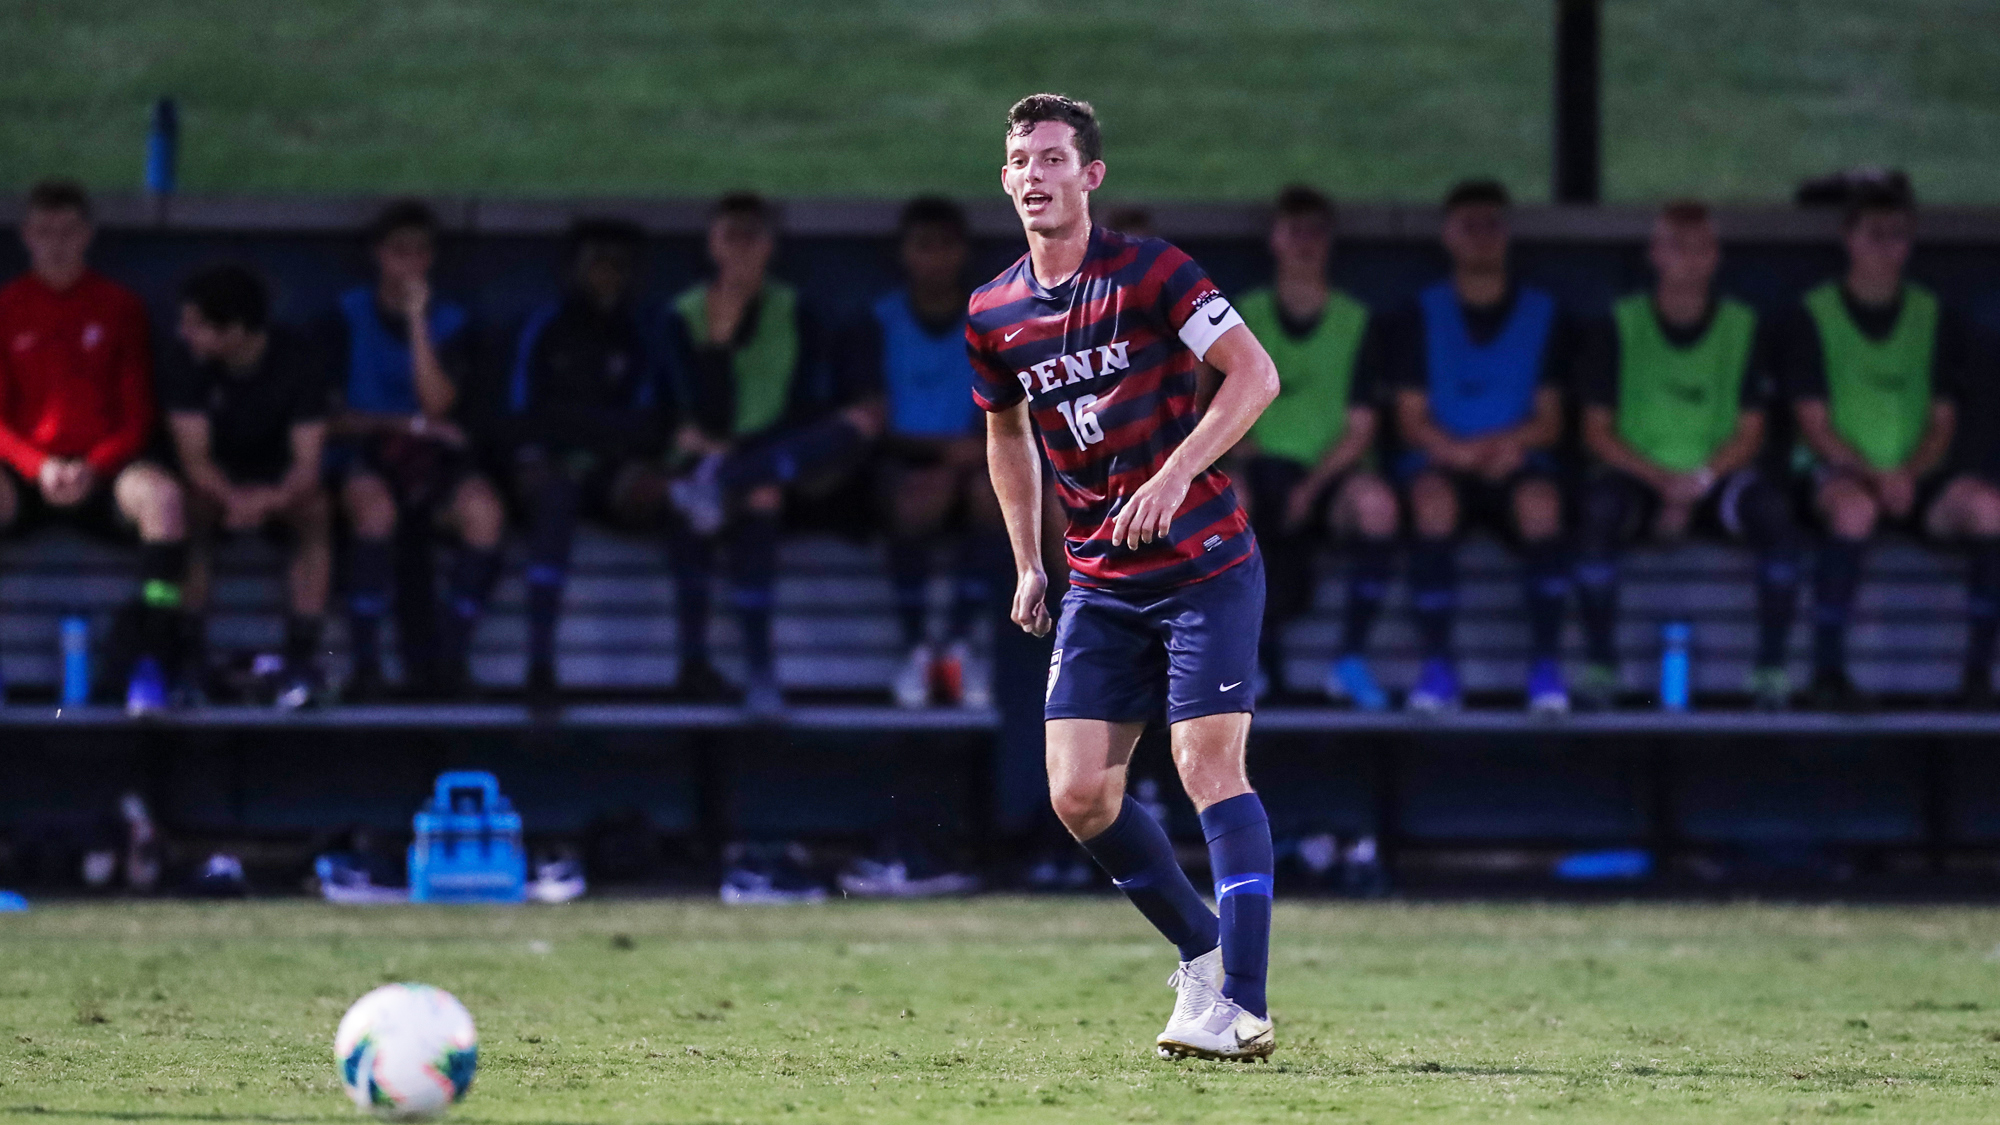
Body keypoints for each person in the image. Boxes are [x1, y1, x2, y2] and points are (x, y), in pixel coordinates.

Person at [971, 94, 1281, 1060]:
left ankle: (1246, 1003)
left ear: (1090, 176)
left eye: (1054, 158)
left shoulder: (1151, 270)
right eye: (1021, 159)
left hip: (1204, 564)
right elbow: (1005, 430)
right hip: (1100, 581)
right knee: (1078, 796)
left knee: (1204, 765)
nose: (1035, 175)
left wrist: (1177, 469)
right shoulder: (993, 310)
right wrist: (1029, 558)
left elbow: (1255, 374)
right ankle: (1201, 953)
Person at [1570, 202, 1803, 711]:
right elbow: (1596, 432)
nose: (1689, 260)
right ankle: (1601, 666)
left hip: (1713, 478)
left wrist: (1697, 480)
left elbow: (1751, 432)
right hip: (1640, 475)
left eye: (1700, 248)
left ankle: (1769, 670)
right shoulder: (1619, 325)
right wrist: (1660, 482)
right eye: (1676, 246)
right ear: (1654, 254)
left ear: (1717, 257)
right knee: (1598, 511)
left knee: (1772, 512)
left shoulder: (1743, 326)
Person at [1780, 178, 2000, 710]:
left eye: (1898, 236)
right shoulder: (1813, 314)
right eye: (1874, 234)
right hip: (1840, 474)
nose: (1887, 247)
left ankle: (1976, 678)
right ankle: (1829, 674)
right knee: (1852, 511)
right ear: (1848, 239)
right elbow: (1813, 422)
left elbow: (1942, 421)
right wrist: (1874, 476)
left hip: (1913, 478)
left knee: (1989, 510)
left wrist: (1908, 474)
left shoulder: (1933, 316)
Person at [663, 193, 881, 713]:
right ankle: (744, 664)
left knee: (857, 422)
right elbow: (686, 409)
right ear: (712, 244)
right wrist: (720, 336)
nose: (741, 249)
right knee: (756, 496)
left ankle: (727, 481)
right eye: (730, 236)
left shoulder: (795, 310)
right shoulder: (683, 315)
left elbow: (809, 401)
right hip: (700, 458)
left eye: (752, 236)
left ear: (770, 245)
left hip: (775, 452)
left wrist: (750, 451)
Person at [1383, 178, 1578, 713]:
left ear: (1508, 234)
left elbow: (1552, 420)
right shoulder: (1418, 313)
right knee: (1431, 500)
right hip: (1442, 460)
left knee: (1542, 503)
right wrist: (1459, 452)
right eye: (1467, 224)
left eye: (1491, 223)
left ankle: (1545, 667)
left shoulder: (1544, 312)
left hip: (1515, 461)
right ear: (1447, 235)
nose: (1480, 236)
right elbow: (1410, 419)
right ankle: (1438, 666)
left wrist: (1502, 448)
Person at [0, 180, 185, 712]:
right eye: (44, 232)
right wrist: (38, 466)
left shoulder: (119, 307)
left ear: (87, 236)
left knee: (164, 500)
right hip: (27, 473)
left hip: (103, 471)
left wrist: (92, 466)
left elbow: (138, 415)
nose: (56, 243)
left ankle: (151, 658)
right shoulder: (8, 306)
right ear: (26, 237)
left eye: (67, 232)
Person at [326, 200, 504, 700]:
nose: (409, 263)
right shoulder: (345, 318)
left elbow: (439, 405)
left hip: (431, 461)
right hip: (365, 455)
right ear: (378, 254)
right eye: (399, 251)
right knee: (375, 511)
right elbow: (331, 422)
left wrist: (418, 322)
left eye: (421, 252)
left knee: (484, 513)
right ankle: (363, 665)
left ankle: (449, 658)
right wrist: (407, 424)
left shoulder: (451, 322)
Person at [1230, 185, 1397, 708]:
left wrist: (1312, 486)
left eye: (1315, 233)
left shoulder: (1355, 320)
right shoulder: (1242, 315)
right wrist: (1256, 461)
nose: (1304, 243)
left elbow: (1361, 427)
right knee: (1229, 504)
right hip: (1259, 468)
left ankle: (1349, 659)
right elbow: (1218, 406)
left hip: (1329, 475)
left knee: (1377, 507)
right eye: (1293, 231)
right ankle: (1249, 658)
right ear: (1274, 240)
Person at [504, 218, 669, 705]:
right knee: (554, 495)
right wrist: (561, 439)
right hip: (551, 469)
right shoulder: (544, 327)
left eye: (620, 266)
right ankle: (539, 666)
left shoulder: (641, 334)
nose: (608, 275)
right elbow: (519, 415)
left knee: (677, 498)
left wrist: (574, 426)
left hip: (608, 468)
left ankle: (692, 664)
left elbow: (646, 424)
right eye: (598, 263)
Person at [856, 197, 1006, 709]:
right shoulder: (880, 321)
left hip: (973, 462)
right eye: (923, 247)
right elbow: (873, 423)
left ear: (962, 253)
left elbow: (1008, 409)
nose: (935, 259)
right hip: (904, 463)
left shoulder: (990, 321)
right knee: (919, 496)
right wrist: (944, 455)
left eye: (946, 247)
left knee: (996, 495)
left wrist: (971, 451)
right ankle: (917, 645)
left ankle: (960, 645)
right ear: (904, 254)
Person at [167, 264, 334, 708]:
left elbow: (307, 462)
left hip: (278, 487)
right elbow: (194, 459)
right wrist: (233, 497)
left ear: (235, 330)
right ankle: (189, 658)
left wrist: (271, 498)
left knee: (316, 510)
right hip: (216, 487)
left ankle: (301, 659)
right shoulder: (186, 363)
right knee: (187, 509)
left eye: (196, 326)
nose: (184, 334)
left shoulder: (299, 361)